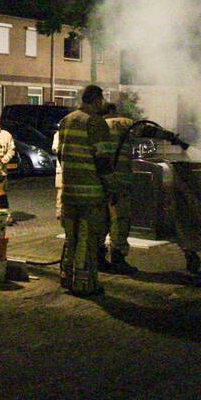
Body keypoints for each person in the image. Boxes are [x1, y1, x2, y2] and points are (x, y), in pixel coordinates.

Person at [56, 85, 112, 297]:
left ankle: (66, 278)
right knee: (88, 239)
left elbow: (60, 155)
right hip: (90, 193)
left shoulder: (66, 121)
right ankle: (84, 285)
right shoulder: (95, 122)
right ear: (97, 100)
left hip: (69, 192)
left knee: (71, 238)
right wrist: (111, 187)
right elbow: (102, 159)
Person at [96, 102, 139, 275]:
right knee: (120, 220)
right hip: (120, 181)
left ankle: (99, 258)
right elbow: (146, 130)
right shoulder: (125, 123)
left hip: (101, 181)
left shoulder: (97, 126)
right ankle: (118, 258)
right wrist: (172, 137)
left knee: (102, 220)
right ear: (113, 110)